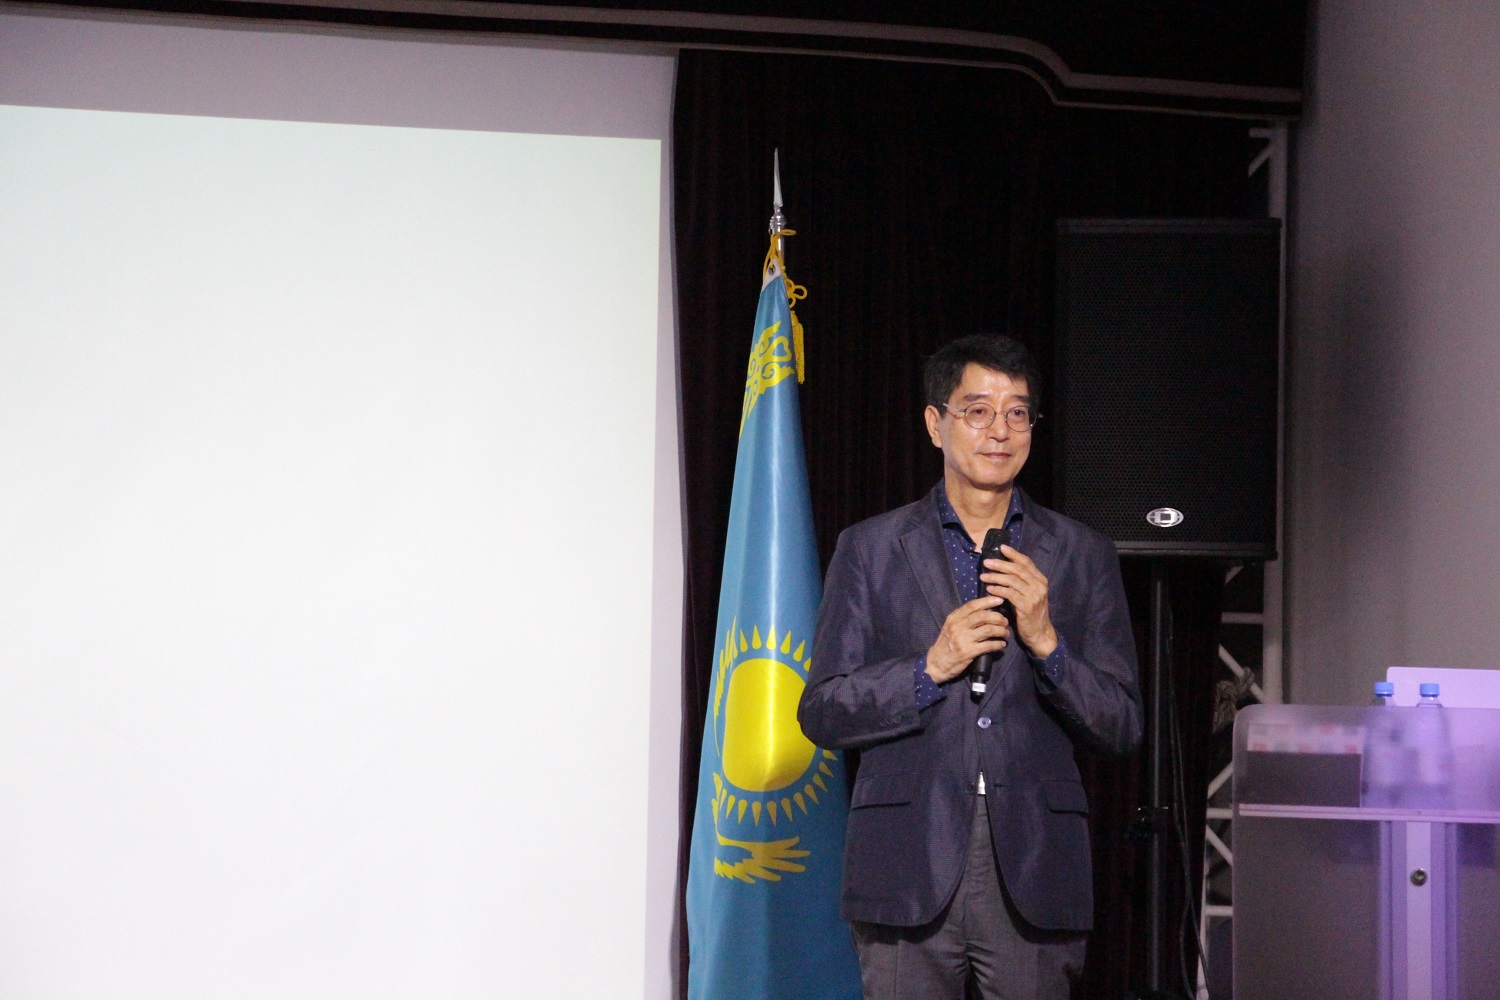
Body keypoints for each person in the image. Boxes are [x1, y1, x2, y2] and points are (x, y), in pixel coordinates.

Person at [798, 333, 1142, 1000]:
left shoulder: (1082, 554)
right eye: (978, 411)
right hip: (907, 864)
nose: (1000, 431)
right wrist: (929, 667)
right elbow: (823, 711)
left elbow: (1122, 724)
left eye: (1017, 413)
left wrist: (1048, 644)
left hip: (1035, 867)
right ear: (936, 423)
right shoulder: (870, 548)